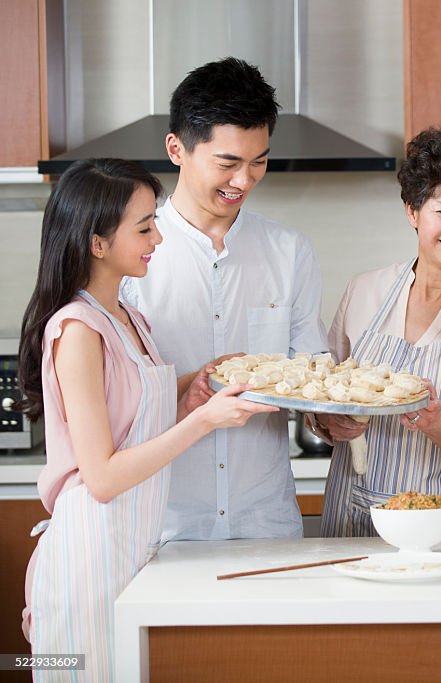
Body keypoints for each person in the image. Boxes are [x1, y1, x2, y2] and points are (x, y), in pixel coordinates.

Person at [18, 159, 274, 681]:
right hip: (88, 557)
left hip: (134, 547)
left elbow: (133, 412)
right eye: (144, 227)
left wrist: (195, 388)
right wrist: (205, 421)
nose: (158, 236)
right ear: (97, 243)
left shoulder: (127, 316)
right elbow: (105, 476)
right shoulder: (77, 328)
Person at [121, 58, 328, 541]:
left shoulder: (289, 251)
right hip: (162, 522)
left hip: (265, 520)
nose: (245, 180)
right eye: (228, 163)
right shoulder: (131, 257)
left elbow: (313, 372)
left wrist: (332, 419)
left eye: (259, 161)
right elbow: (115, 403)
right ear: (177, 149)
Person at [313, 121, 441, 536]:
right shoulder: (365, 291)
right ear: (412, 211)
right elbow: (323, 392)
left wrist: (435, 422)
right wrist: (328, 422)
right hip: (351, 515)